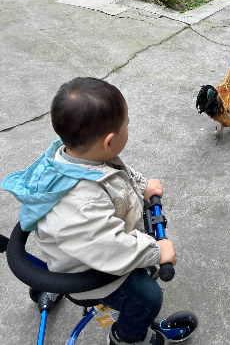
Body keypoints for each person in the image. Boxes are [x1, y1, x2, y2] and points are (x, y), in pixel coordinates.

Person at [1, 77, 177, 345]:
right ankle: (124, 337)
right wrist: (156, 251)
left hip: (93, 245)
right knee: (148, 298)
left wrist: (142, 186)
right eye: (127, 125)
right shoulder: (81, 204)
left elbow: (118, 173)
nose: (128, 129)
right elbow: (111, 249)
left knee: (141, 267)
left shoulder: (82, 156)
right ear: (109, 141)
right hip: (89, 274)